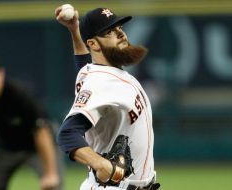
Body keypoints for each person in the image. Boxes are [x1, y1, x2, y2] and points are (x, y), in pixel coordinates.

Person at [55, 5, 160, 190]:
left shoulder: (91, 72)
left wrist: (75, 31)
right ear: (94, 44)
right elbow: (67, 133)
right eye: (110, 31)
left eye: (120, 28)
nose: (121, 34)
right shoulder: (101, 83)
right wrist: (100, 164)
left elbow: (84, 63)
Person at [0, 53, 62, 190]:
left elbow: (41, 132)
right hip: (7, 149)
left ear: (1, 74)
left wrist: (51, 173)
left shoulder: (19, 94)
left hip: (36, 147)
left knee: (53, 185)